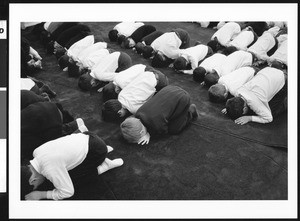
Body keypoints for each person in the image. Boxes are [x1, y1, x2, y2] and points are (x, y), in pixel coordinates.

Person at [21, 132, 124, 200]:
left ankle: (104, 165)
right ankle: (103, 149)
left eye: (36, 186)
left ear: (32, 180)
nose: (38, 186)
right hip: (89, 136)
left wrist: (40, 194)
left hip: (97, 151)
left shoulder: (50, 169)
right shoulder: (36, 152)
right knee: (62, 170)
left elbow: (67, 192)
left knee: (71, 179)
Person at [120, 85, 198, 145]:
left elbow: (164, 130)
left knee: (174, 129)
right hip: (169, 88)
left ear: (142, 132)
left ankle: (191, 110)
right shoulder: (138, 113)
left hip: (182, 98)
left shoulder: (156, 126)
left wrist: (149, 134)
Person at [21, 98, 86, 161]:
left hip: (46, 117)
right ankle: (72, 126)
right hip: (48, 106)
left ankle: (71, 128)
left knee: (47, 146)